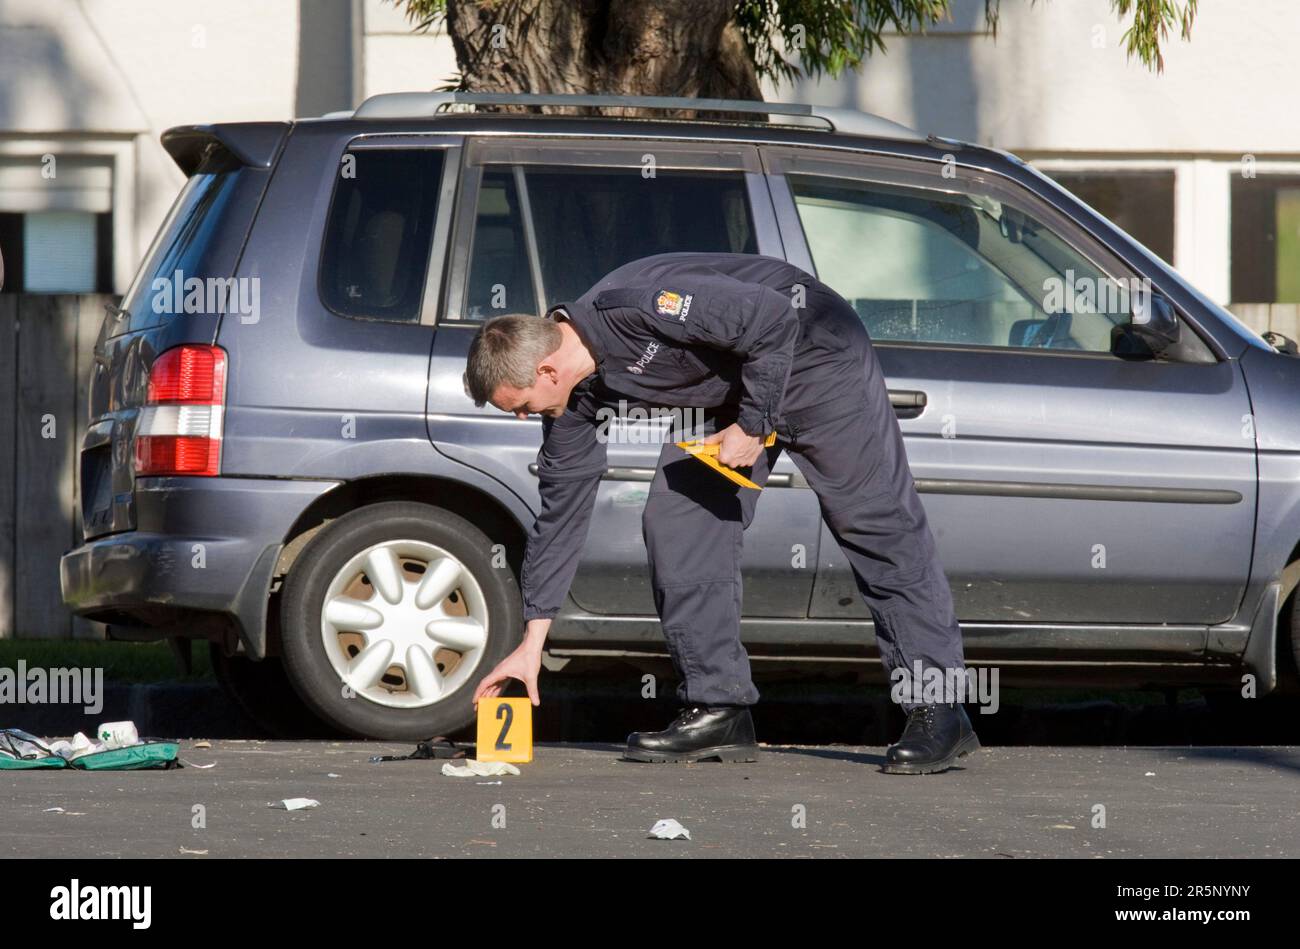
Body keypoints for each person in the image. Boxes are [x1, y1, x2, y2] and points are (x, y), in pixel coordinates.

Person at [463, 252, 979, 774]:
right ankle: (718, 706)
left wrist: (754, 426)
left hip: (813, 351)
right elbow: (561, 514)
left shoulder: (640, 306)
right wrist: (532, 642)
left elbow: (773, 318)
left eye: (522, 405)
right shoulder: (572, 400)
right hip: (726, 389)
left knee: (873, 521)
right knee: (679, 521)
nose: (527, 417)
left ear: (547, 368)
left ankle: (938, 709)